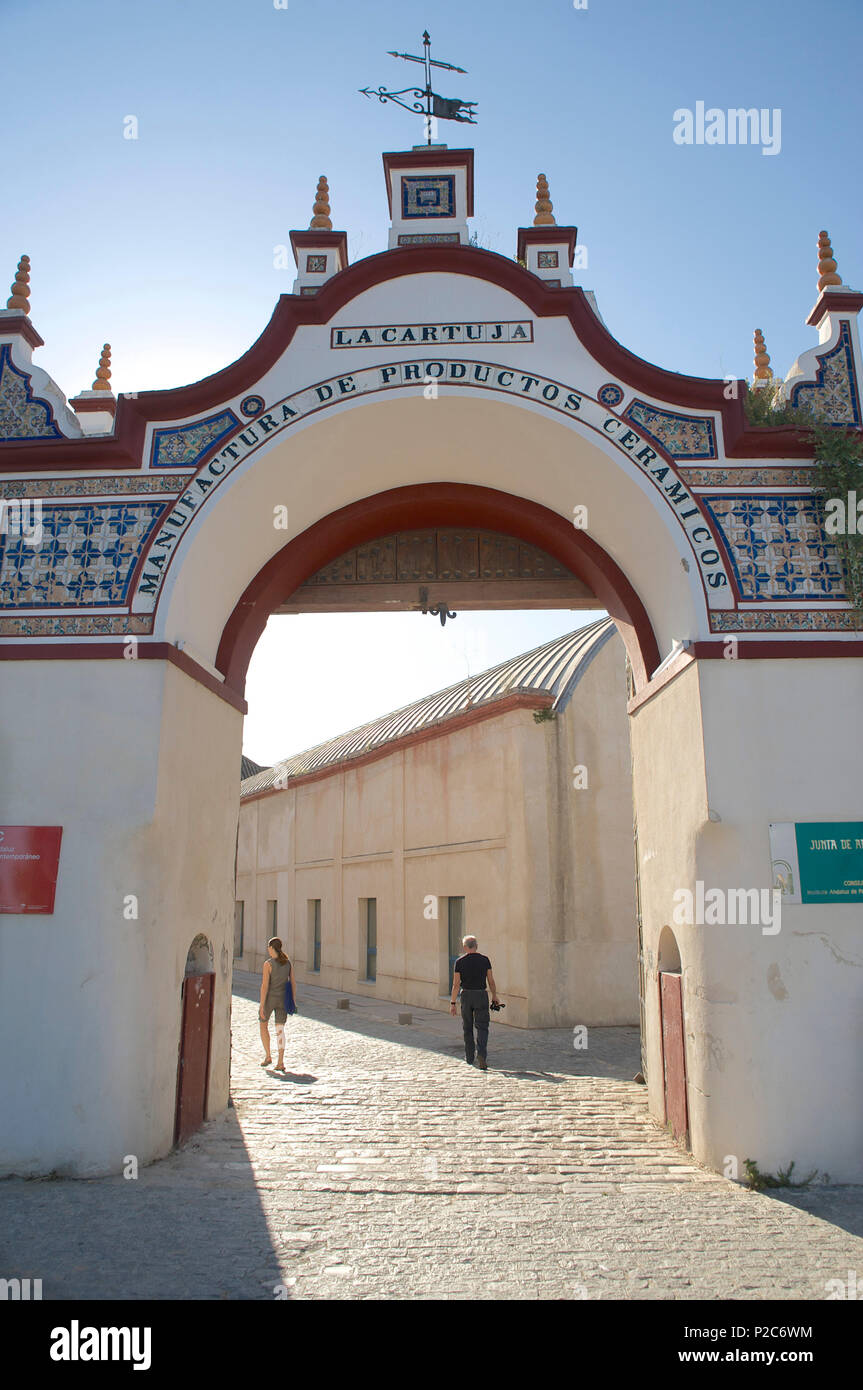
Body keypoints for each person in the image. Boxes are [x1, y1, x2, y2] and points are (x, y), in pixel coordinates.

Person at [449, 935, 500, 1070]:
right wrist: (494, 995)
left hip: (466, 995)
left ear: (465, 947)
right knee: (483, 1026)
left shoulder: (460, 962)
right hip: (481, 994)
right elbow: (491, 980)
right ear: (476, 946)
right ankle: (482, 1054)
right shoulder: (484, 960)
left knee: (467, 1026)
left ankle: (470, 1056)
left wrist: (453, 1002)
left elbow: (456, 985)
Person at [259, 937, 296, 1071]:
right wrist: (293, 1000)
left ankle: (268, 1056)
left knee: (263, 1025)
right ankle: (280, 1062)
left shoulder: (268, 964)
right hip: (283, 1000)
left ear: (271, 948)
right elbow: (292, 983)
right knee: (280, 1030)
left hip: (270, 999)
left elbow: (264, 986)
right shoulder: (287, 963)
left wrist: (262, 1005)